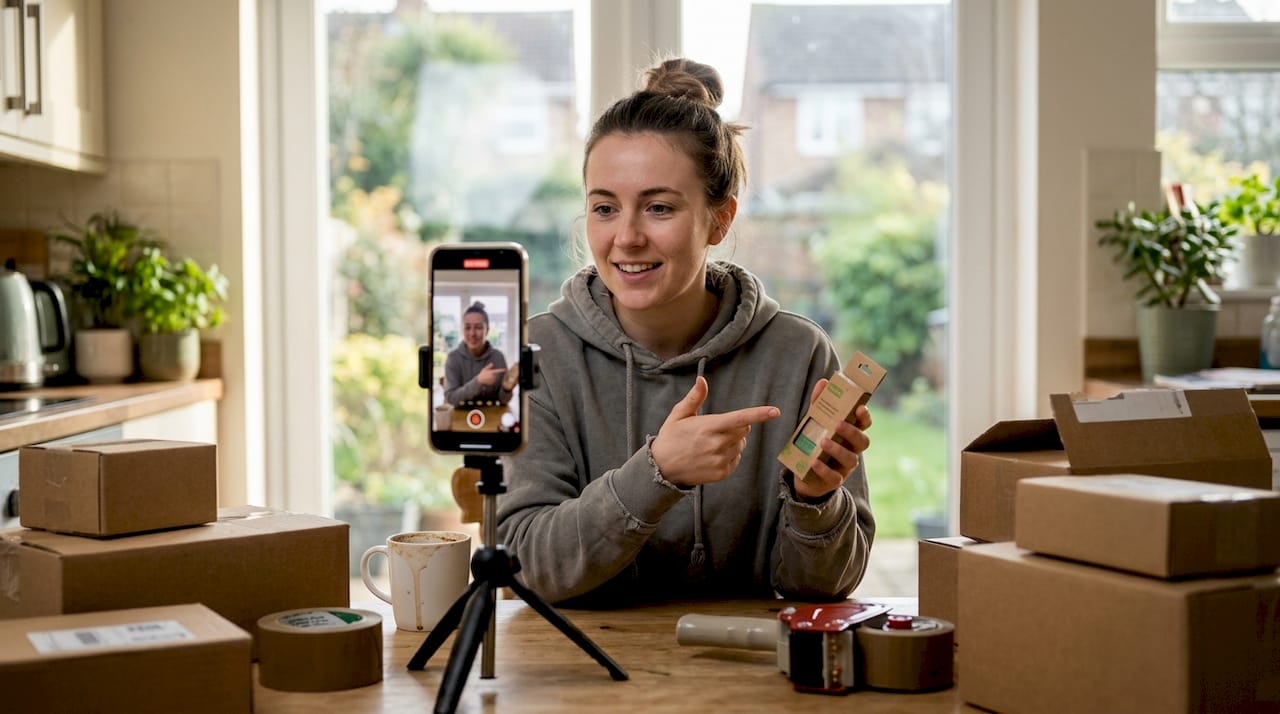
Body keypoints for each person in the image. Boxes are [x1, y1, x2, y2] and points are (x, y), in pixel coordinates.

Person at [496, 57, 874, 606]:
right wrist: (656, 474)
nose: (627, 237)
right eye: (605, 208)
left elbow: (824, 588)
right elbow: (526, 567)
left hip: (745, 656)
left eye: (658, 208)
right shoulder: (539, 354)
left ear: (720, 220)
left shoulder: (797, 354)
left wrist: (815, 499)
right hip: (573, 656)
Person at [443, 301, 515, 405]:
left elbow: (503, 400)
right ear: (462, 330)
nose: (472, 333)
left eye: (478, 327)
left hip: (491, 414)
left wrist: (507, 388)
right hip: (461, 414)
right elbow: (451, 398)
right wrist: (478, 381)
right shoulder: (453, 358)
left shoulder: (498, 357)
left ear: (487, 330)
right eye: (467, 327)